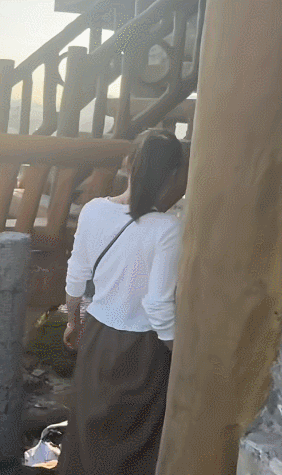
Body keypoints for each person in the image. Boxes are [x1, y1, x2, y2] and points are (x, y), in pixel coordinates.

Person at [56, 129, 185, 474]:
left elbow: (76, 277)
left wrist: (73, 322)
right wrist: (180, 355)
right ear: (173, 175)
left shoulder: (93, 210)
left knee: (87, 434)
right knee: (132, 444)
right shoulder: (167, 228)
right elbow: (158, 306)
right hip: (141, 350)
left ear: (128, 164)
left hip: (96, 338)